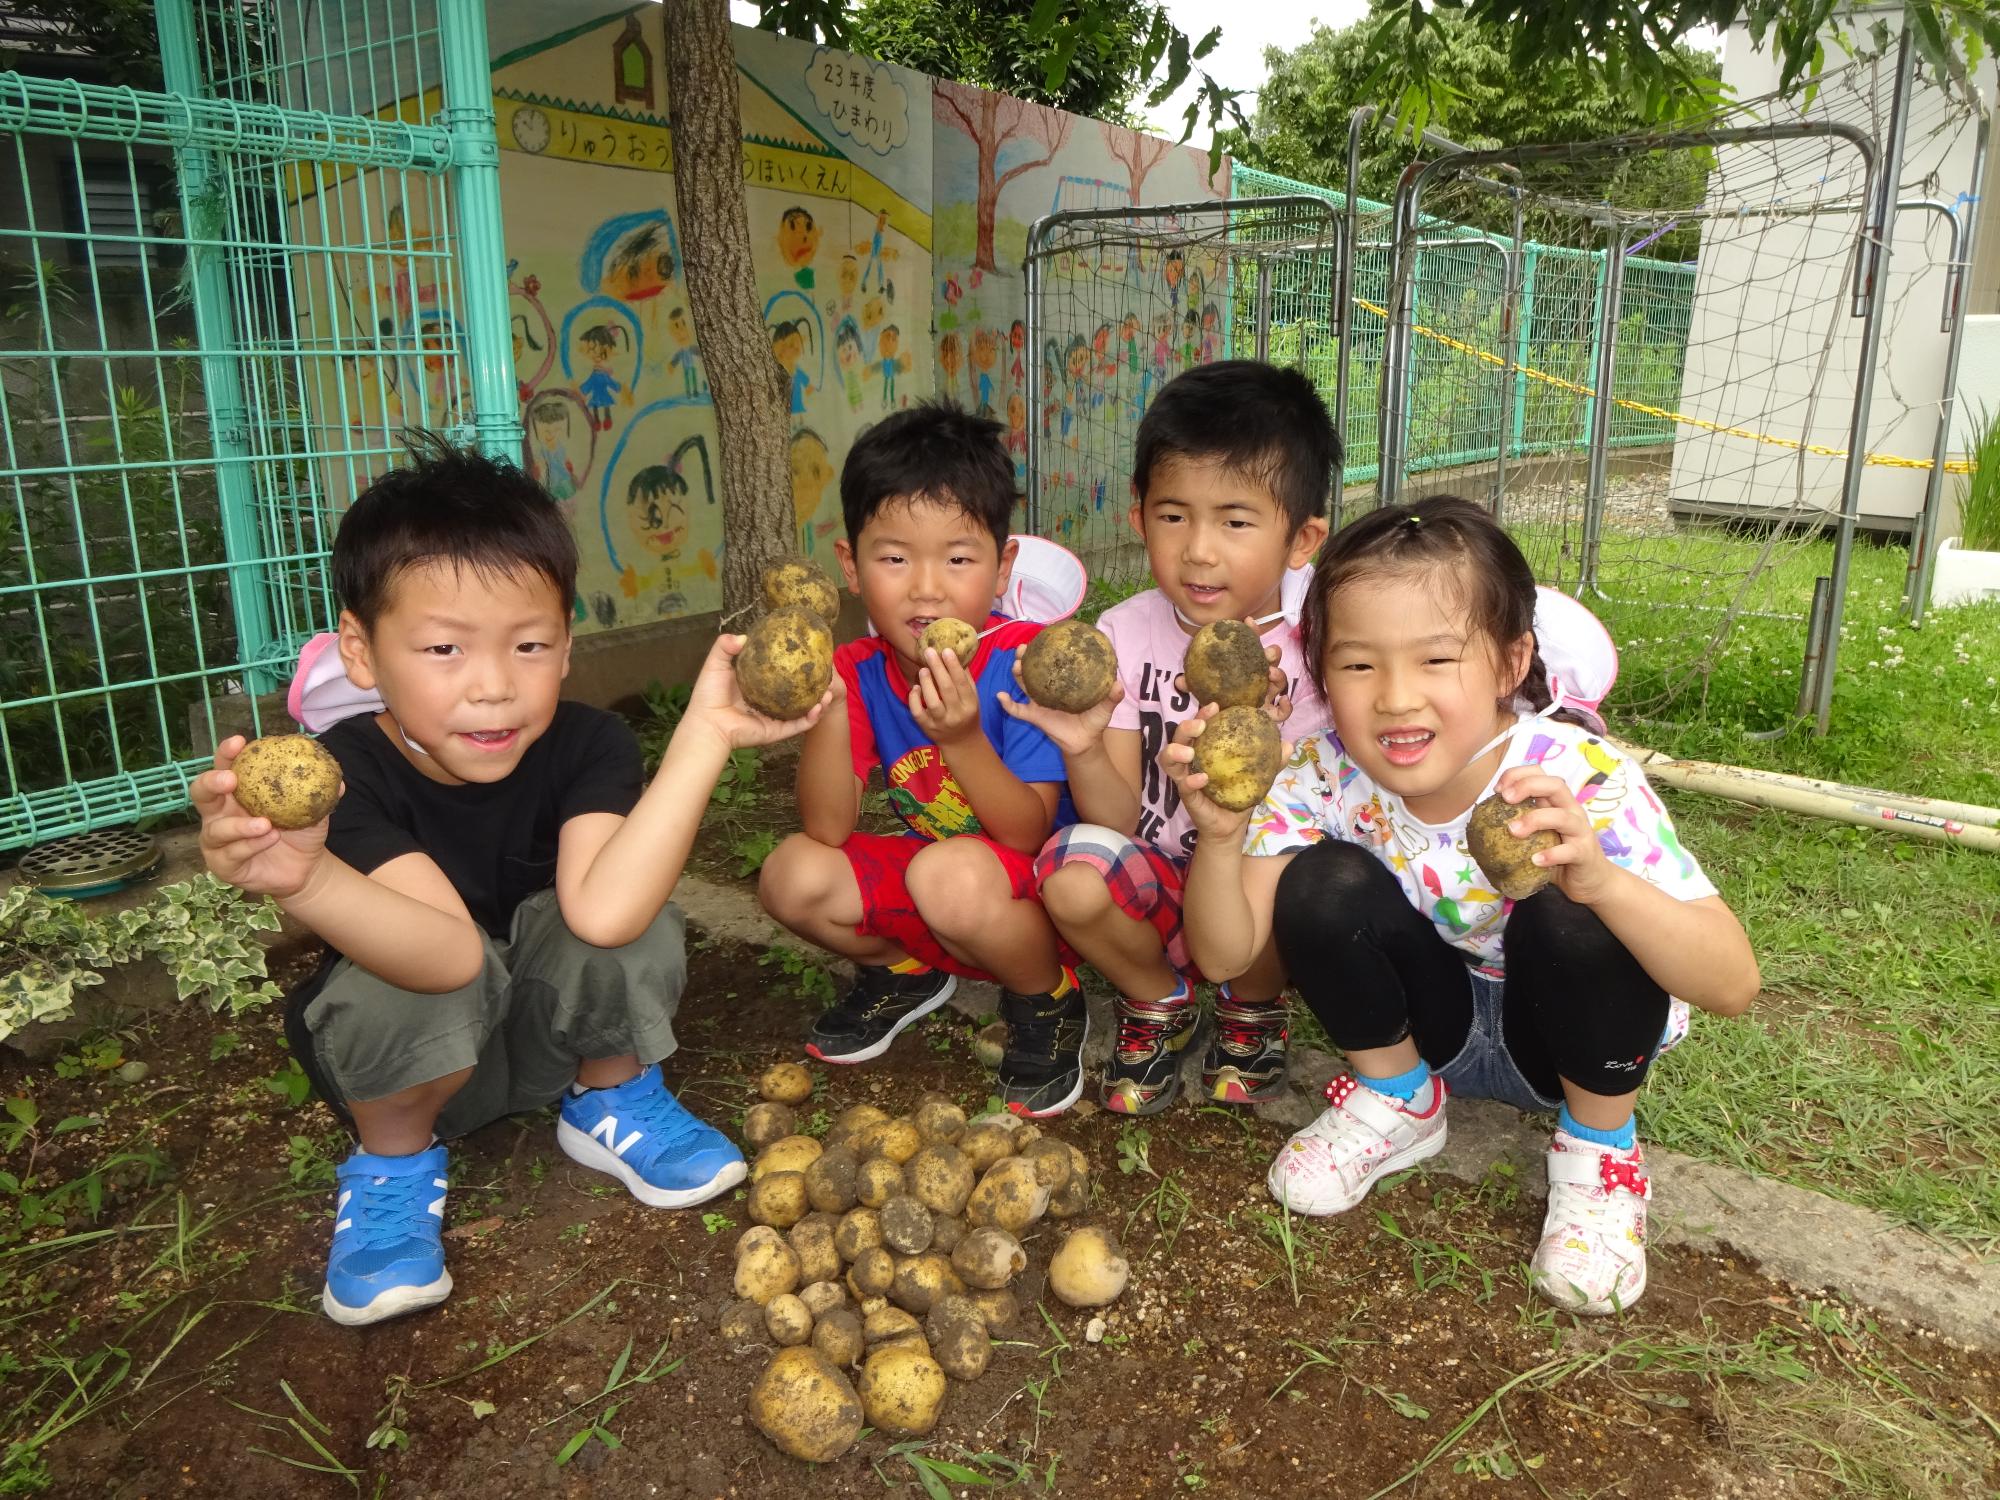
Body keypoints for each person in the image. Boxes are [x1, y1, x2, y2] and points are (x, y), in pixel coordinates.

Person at [192, 441, 828, 1327]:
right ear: (361, 651)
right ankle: (393, 1165)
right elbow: (448, 954)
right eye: (445, 647)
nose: (493, 686)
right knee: (395, 983)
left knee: (630, 910)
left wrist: (705, 735)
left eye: (530, 644)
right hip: (418, 1065)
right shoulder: (343, 778)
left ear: (568, 646)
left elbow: (605, 913)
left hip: (544, 1040)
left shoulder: (586, 743)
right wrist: (305, 877)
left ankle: (607, 1097)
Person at [1166, 496, 1759, 1314]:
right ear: (1318, 670)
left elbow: (1733, 984)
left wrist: (1602, 881)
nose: (1396, 698)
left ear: (1510, 664)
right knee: (1321, 880)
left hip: (1562, 1042)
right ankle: (1399, 1098)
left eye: (1437, 661)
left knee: (1576, 907)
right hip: (1432, 1024)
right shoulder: (1317, 772)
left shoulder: (1578, 776)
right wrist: (1223, 837)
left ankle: (1599, 1155)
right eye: (1359, 664)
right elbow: (1226, 959)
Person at [1003, 362, 1335, 1115]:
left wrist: (1281, 729)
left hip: (1251, 886)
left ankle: (1254, 1003)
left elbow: (1322, 816)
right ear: (1139, 516)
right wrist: (1085, 744)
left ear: (1302, 537)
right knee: (1071, 872)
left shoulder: (1316, 651)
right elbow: (1115, 821)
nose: (1199, 550)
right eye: (1174, 515)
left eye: (1236, 520)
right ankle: (1158, 997)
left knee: (1299, 872)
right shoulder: (1122, 633)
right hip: (1158, 874)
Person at [758, 403, 1088, 1116]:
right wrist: (831, 702)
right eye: (895, 557)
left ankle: (1047, 997)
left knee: (947, 873)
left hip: (1034, 898)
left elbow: (1026, 833)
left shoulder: (1023, 661)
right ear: (851, 566)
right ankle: (905, 973)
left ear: (1001, 570)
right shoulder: (861, 668)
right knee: (791, 874)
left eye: (959, 559)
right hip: (943, 886)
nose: (926, 587)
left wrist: (963, 737)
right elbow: (827, 827)